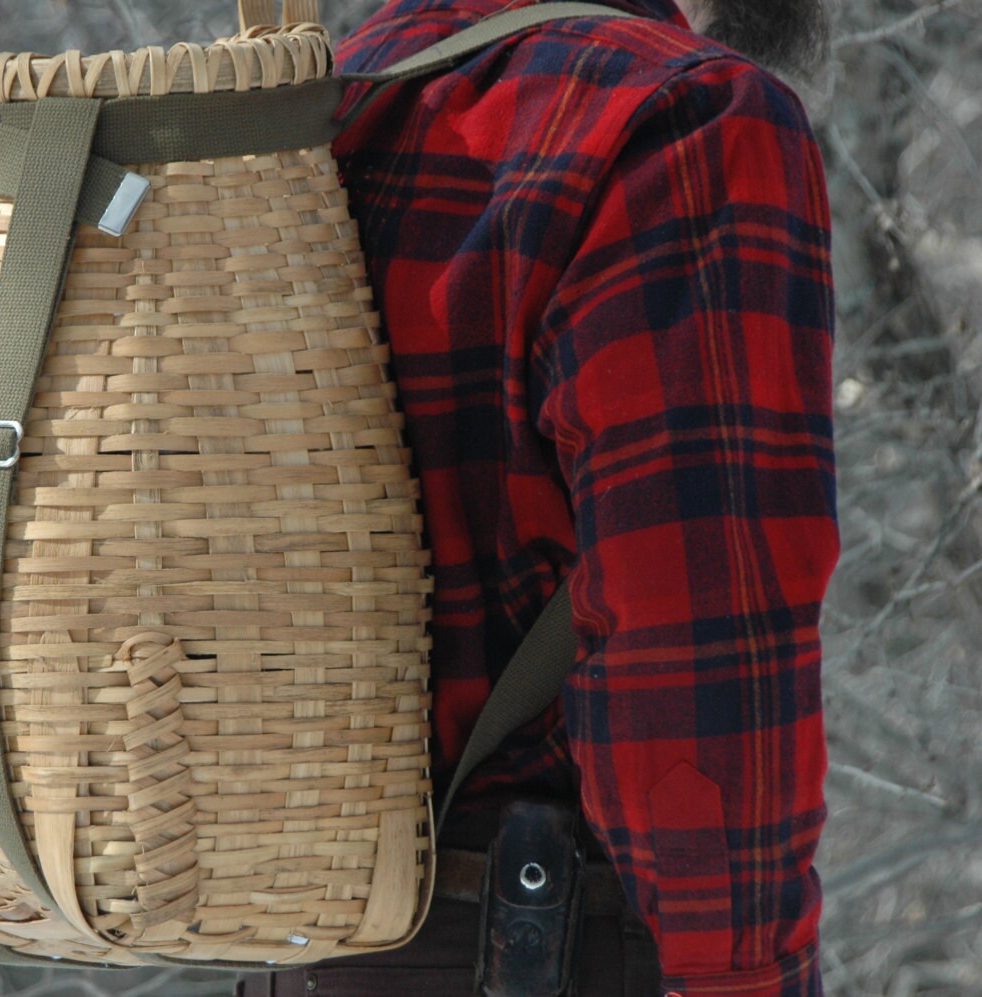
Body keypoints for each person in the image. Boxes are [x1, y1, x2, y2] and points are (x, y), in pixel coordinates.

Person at [239, 1, 838, 994]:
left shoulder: (317, 101)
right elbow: (696, 631)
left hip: (293, 947)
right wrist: (746, 979)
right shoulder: (679, 115)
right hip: (543, 945)